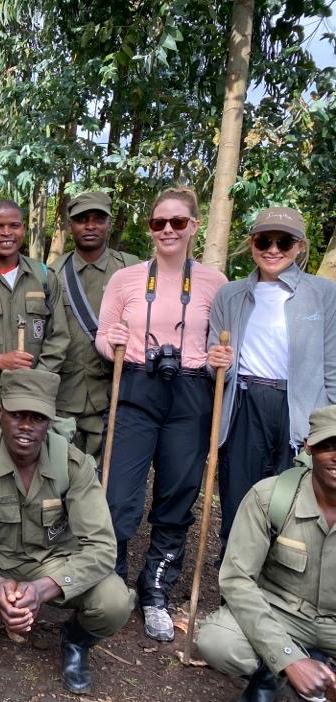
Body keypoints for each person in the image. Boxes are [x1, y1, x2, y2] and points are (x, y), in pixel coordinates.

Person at [0, 369, 134, 693]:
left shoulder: (73, 466)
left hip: (54, 560)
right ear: (0, 413)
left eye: (38, 417)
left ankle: (76, 640)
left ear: (50, 421)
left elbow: (102, 547)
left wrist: (44, 589)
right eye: (17, 415)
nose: (27, 426)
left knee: (115, 602)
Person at [95, 187, 227, 641]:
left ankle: (155, 590)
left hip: (191, 392)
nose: (167, 230)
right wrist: (110, 340)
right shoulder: (127, 278)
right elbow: (102, 335)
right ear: (151, 228)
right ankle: (110, 583)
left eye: (177, 222)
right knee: (118, 491)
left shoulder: (214, 281)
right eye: (158, 223)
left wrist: (220, 358)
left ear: (193, 227)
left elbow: (225, 343)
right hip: (135, 385)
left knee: (176, 494)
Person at [195, 405, 336, 702]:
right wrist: (287, 659)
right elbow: (237, 580)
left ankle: (317, 662)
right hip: (282, 613)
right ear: (309, 447)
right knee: (218, 641)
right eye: (329, 445)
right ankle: (269, 677)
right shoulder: (271, 497)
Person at [207, 207, 336, 551]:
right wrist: (217, 360)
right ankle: (232, 594)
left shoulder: (322, 293)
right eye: (265, 240)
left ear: (300, 246)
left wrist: (326, 428)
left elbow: (332, 366)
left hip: (300, 413)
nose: (273, 249)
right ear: (252, 243)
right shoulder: (230, 295)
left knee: (291, 506)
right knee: (239, 503)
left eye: (285, 241)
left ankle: (277, 596)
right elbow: (215, 360)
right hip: (245, 406)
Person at [0, 200, 69, 438]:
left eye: (15, 225)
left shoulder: (44, 276)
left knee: (30, 465)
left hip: (35, 398)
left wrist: (37, 378)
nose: (7, 233)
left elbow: (59, 337)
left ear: (24, 229)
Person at [51, 192, 139, 455]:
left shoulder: (131, 270)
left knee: (108, 483)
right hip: (66, 396)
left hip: (115, 395)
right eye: (81, 220)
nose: (90, 226)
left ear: (109, 223)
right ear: (70, 225)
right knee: (63, 476)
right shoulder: (53, 273)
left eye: (98, 219)